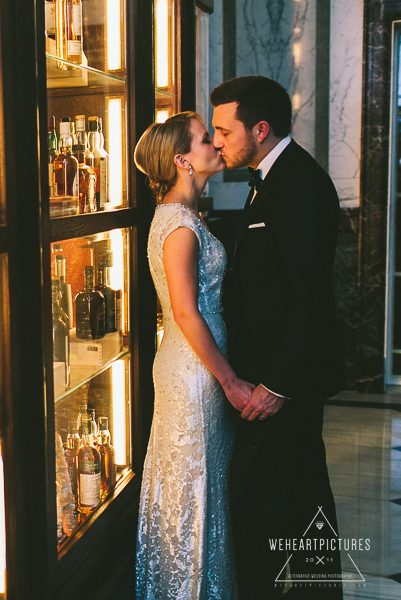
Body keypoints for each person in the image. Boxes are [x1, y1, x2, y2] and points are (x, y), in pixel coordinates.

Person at [211, 75, 345, 599]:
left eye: (224, 129)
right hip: (271, 376)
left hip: (284, 383)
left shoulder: (302, 185)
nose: (217, 140)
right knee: (298, 498)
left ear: (260, 129)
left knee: (278, 502)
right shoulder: (271, 177)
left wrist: (277, 385)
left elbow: (307, 300)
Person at [133, 111, 253, 599]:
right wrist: (231, 381)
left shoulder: (181, 216)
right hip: (197, 375)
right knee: (194, 490)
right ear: (183, 159)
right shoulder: (179, 225)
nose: (217, 145)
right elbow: (185, 313)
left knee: (199, 488)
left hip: (193, 367)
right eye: (208, 139)